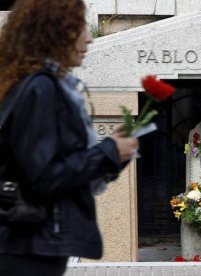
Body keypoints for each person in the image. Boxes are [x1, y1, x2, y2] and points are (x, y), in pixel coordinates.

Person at [0, 0, 139, 275]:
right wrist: (108, 152)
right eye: (79, 28)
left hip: (31, 243)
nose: (89, 39)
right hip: (29, 247)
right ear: (54, 32)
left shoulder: (32, 84)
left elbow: (53, 164)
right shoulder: (41, 88)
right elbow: (43, 177)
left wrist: (114, 154)